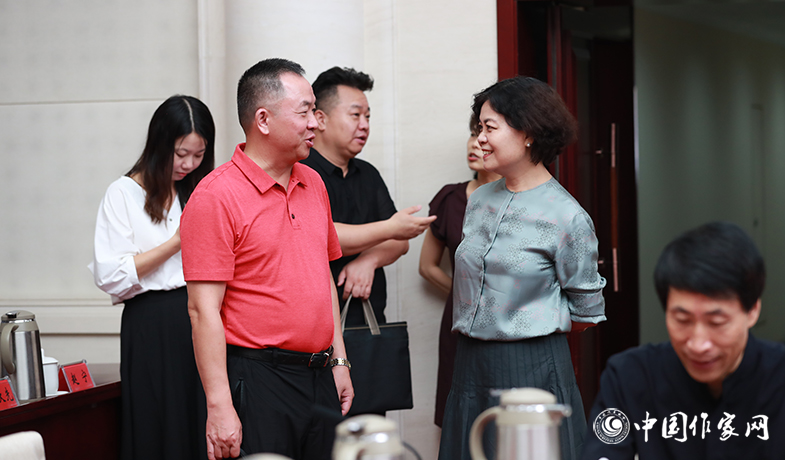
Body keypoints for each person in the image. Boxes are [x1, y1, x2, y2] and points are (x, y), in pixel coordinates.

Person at [180, 58, 352, 460]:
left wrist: (340, 360)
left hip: (320, 376)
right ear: (263, 119)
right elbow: (203, 311)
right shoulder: (215, 196)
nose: (315, 123)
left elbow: (323, 277)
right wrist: (219, 406)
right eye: (305, 111)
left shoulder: (313, 182)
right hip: (259, 379)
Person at [438, 76, 606, 460]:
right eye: (479, 128)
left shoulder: (566, 216)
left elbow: (586, 313)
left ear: (528, 133)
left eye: (490, 128)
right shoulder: (480, 200)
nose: (480, 139)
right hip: (469, 364)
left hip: (531, 367)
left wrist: (527, 328)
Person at [581, 221, 785, 460]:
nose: (698, 344)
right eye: (682, 320)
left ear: (752, 311)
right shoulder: (629, 378)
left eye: (716, 322)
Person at [89, 95, 214, 460]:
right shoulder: (123, 193)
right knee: (158, 425)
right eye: (180, 153)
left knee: (201, 420)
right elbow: (111, 274)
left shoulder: (198, 189)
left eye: (199, 154)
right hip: (152, 323)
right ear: (159, 144)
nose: (189, 164)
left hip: (204, 314)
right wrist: (176, 242)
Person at [301, 66, 435, 329]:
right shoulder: (301, 171)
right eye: (355, 115)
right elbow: (323, 236)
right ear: (321, 119)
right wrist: (391, 228)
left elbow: (399, 242)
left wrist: (368, 261)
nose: (364, 125)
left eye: (368, 116)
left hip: (369, 320)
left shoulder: (368, 173)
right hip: (315, 324)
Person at [418, 115, 501, 427]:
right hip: (459, 321)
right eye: (472, 134)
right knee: (461, 415)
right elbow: (427, 267)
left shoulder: (522, 198)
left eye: (485, 134)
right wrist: (465, 294)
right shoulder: (450, 198)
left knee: (503, 417)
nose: (475, 143)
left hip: (508, 323)